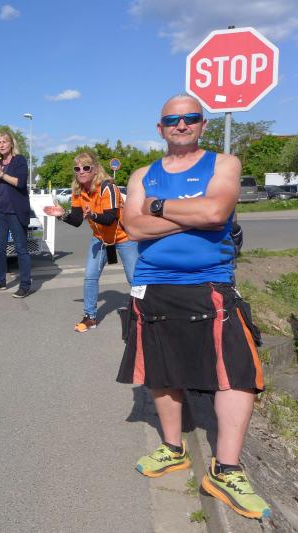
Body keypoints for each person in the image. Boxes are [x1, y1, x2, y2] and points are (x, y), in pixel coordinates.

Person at [117, 94, 271, 520]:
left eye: (190, 118)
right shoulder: (142, 174)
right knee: (161, 371)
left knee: (237, 372)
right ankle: (173, 449)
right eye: (172, 120)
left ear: (203, 124)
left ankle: (226, 470)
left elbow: (217, 211)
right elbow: (132, 226)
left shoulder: (224, 164)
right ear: (160, 128)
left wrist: (159, 208)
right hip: (153, 285)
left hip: (211, 283)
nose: (181, 124)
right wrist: (193, 212)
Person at [43, 152, 138, 332]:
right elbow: (77, 220)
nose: (81, 171)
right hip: (100, 238)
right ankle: (90, 317)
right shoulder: (78, 191)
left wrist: (92, 215)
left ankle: (144, 312)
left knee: (134, 278)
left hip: (123, 237)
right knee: (90, 276)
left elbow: (110, 218)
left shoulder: (108, 187)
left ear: (95, 170)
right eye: (77, 168)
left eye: (86, 167)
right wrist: (62, 215)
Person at [0, 131, 34, 298]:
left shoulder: (19, 160)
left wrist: (1, 174)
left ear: (12, 144)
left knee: (21, 248)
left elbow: (20, 183)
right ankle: (0, 281)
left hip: (16, 211)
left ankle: (25, 284)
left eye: (5, 141)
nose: (2, 144)